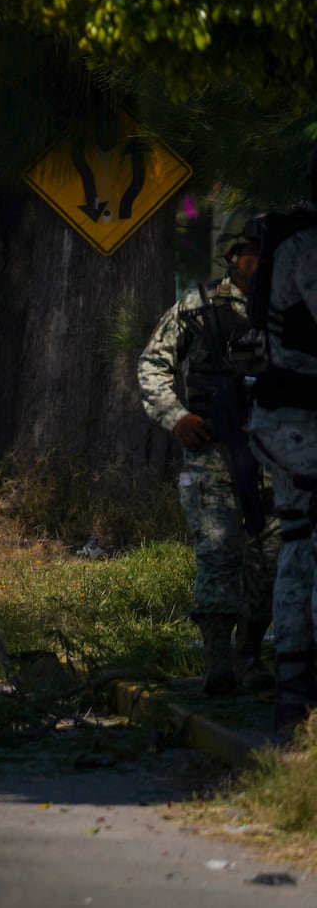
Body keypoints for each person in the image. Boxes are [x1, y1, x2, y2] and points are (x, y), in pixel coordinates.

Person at [138, 209, 277, 695]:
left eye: (265, 250)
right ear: (234, 254)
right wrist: (177, 417)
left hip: (277, 453)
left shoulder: (287, 307)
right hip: (213, 450)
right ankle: (219, 661)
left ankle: (250, 653)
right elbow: (153, 367)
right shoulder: (196, 306)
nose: (259, 259)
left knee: (272, 557)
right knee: (219, 551)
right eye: (252, 250)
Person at [245, 157, 317, 730]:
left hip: (288, 419)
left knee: (298, 541)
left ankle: (294, 688)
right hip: (301, 421)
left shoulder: (292, 240)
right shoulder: (309, 246)